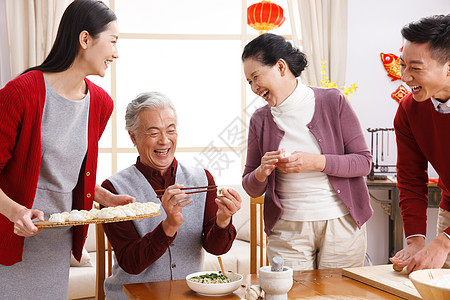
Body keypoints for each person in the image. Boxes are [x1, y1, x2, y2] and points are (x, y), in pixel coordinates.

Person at [0, 1, 134, 298]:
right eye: (112, 41)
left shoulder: (101, 103)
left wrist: (105, 198)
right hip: (12, 238)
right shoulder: (20, 93)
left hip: (57, 242)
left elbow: (67, 171)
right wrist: (15, 212)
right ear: (85, 39)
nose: (116, 52)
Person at [241, 33, 373, 270]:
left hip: (341, 225)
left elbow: (363, 162)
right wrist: (262, 171)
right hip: (287, 230)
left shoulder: (333, 101)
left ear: (281, 67)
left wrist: (317, 162)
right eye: (249, 82)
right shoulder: (260, 120)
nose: (253, 87)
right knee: (290, 295)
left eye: (256, 77)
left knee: (338, 297)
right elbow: (250, 186)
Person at [101, 92, 242, 299]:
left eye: (171, 130)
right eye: (153, 132)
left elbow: (216, 248)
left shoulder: (202, 179)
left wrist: (223, 221)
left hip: (187, 295)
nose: (164, 140)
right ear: (133, 136)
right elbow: (131, 263)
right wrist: (169, 226)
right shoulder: (113, 190)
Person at [389, 14, 450, 273]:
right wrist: (415, 240)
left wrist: (445, 241)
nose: (405, 76)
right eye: (403, 65)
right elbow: (411, 177)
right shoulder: (409, 111)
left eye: (415, 68)